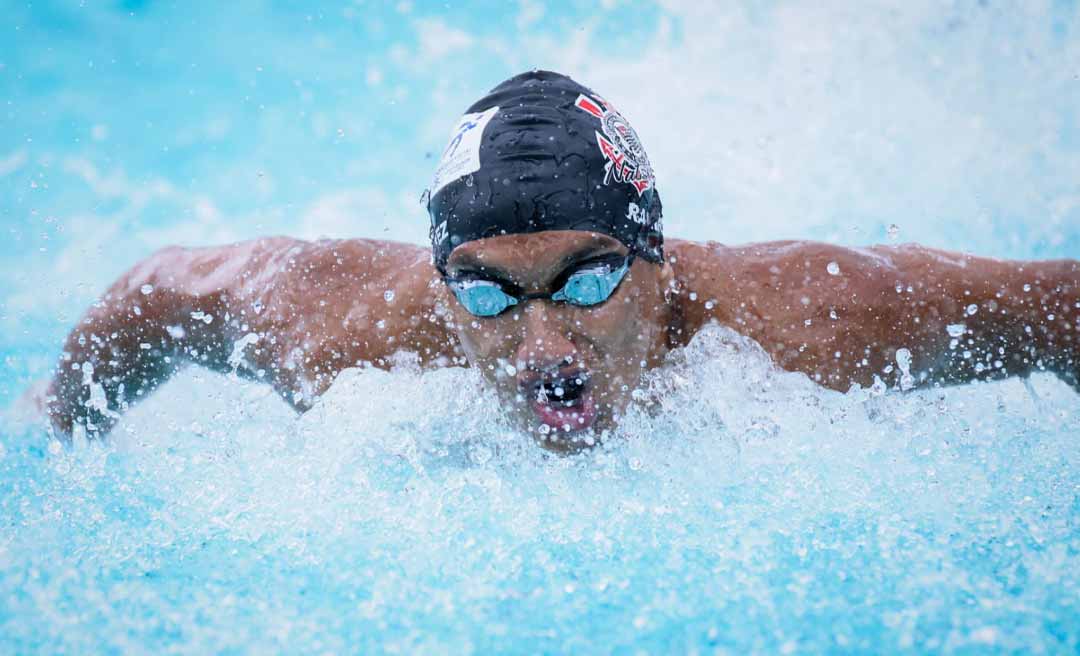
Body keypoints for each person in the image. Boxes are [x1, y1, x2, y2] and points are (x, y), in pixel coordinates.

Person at [43, 71, 1079, 450]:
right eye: (488, 293)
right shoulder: (345, 338)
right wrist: (50, 428)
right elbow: (157, 292)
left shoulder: (812, 325)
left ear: (659, 267)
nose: (544, 341)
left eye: (588, 282)